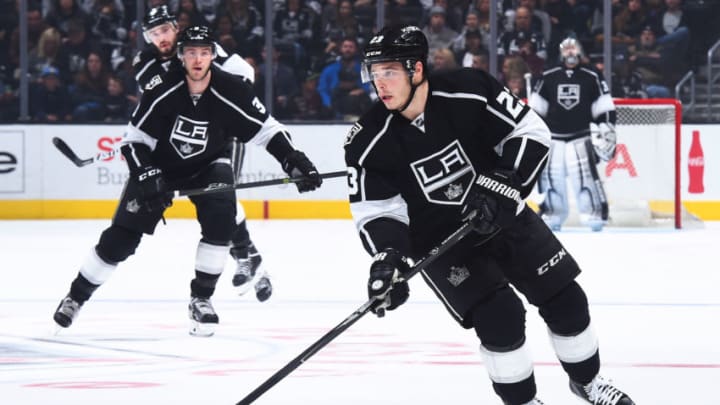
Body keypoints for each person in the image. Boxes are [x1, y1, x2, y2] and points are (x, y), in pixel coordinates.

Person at [345, 25, 634, 405]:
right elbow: (377, 211)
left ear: (416, 70)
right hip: (442, 244)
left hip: (503, 215)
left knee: (566, 298)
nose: (379, 84)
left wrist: (499, 184)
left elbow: (530, 131)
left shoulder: (469, 89)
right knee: (501, 318)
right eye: (374, 73)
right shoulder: (367, 140)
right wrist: (389, 259)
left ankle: (588, 382)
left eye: (389, 72)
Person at [52, 26, 323, 337]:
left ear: (212, 55)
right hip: (159, 166)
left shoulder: (230, 88)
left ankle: (201, 300)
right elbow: (133, 142)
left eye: (204, 52)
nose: (198, 59)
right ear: (181, 56)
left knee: (221, 221)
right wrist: (146, 173)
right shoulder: (162, 88)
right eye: (191, 52)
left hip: (209, 164)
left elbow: (267, 129)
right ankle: (76, 297)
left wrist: (293, 159)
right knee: (120, 241)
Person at [134, 5, 273, 301]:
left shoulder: (198, 45)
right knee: (219, 197)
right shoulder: (145, 63)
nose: (162, 37)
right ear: (147, 37)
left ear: (175, 27)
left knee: (221, 193)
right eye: (154, 33)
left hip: (221, 134)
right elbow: (156, 106)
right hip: (186, 136)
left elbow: (244, 72)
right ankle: (249, 255)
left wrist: (227, 110)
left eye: (166, 29)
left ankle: (246, 255)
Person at [528, 37, 617, 232]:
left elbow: (604, 105)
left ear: (580, 51)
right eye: (566, 48)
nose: (570, 52)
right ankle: (551, 214)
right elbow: (535, 110)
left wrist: (606, 127)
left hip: (581, 136)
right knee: (551, 179)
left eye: (573, 48)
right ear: (561, 52)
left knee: (586, 178)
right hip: (553, 139)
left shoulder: (592, 75)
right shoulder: (548, 75)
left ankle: (594, 214)